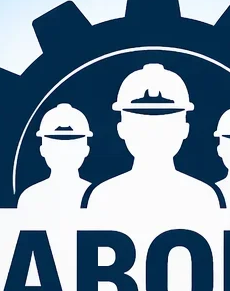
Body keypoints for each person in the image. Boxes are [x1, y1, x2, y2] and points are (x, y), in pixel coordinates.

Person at [86, 63, 221, 212]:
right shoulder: (104, 197)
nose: (153, 131)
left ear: (185, 129)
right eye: (141, 123)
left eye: (165, 123)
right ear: (121, 129)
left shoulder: (202, 198)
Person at [18, 102, 92, 211]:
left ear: (86, 150)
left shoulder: (95, 196)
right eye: (56, 146)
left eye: (72, 146)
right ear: (42, 150)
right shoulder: (31, 198)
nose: (64, 152)